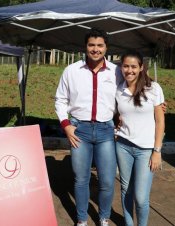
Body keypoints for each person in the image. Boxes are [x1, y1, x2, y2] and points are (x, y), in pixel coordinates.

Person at [55, 28, 118, 226]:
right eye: (92, 45)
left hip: (106, 131)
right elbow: (60, 100)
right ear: (85, 47)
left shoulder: (117, 72)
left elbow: (133, 90)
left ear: (106, 47)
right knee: (81, 180)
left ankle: (103, 218)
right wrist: (66, 126)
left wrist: (156, 101)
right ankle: (82, 220)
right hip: (78, 130)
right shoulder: (71, 71)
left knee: (107, 181)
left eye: (100, 45)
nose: (96, 49)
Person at [115, 50, 165, 226]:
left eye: (134, 66)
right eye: (126, 66)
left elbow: (160, 121)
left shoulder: (153, 88)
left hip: (146, 150)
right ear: (121, 68)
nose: (129, 70)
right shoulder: (119, 90)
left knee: (141, 197)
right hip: (122, 146)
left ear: (141, 67)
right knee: (125, 190)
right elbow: (115, 114)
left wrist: (157, 151)